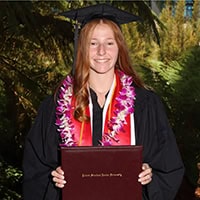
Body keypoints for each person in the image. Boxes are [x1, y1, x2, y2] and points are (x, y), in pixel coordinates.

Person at [22, 3, 184, 200]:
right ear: (82, 48)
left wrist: (149, 176)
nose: (101, 51)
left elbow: (169, 167)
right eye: (92, 43)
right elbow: (35, 168)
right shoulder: (56, 105)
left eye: (109, 43)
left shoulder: (146, 104)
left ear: (119, 48)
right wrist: (54, 177)